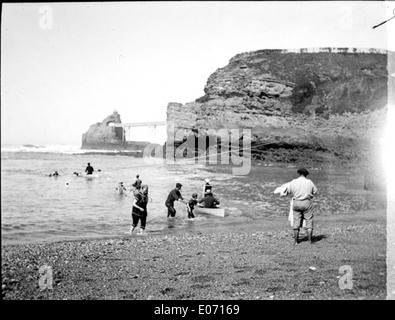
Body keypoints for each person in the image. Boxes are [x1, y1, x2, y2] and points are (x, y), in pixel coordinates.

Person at [283, 168, 318, 245]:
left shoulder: (293, 182)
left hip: (296, 202)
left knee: (296, 221)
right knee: (309, 220)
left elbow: (288, 191)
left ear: (298, 173)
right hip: (306, 202)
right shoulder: (309, 182)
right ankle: (309, 241)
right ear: (306, 174)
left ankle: (296, 241)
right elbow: (315, 191)